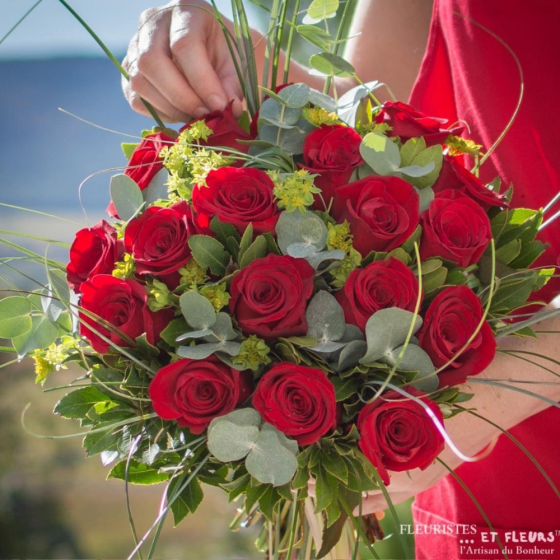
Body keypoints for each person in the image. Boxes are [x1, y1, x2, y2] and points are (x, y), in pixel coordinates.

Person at [122, 1, 560, 558]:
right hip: (476, 461)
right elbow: (382, 124)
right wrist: (260, 74)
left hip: (488, 402)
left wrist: (504, 389)